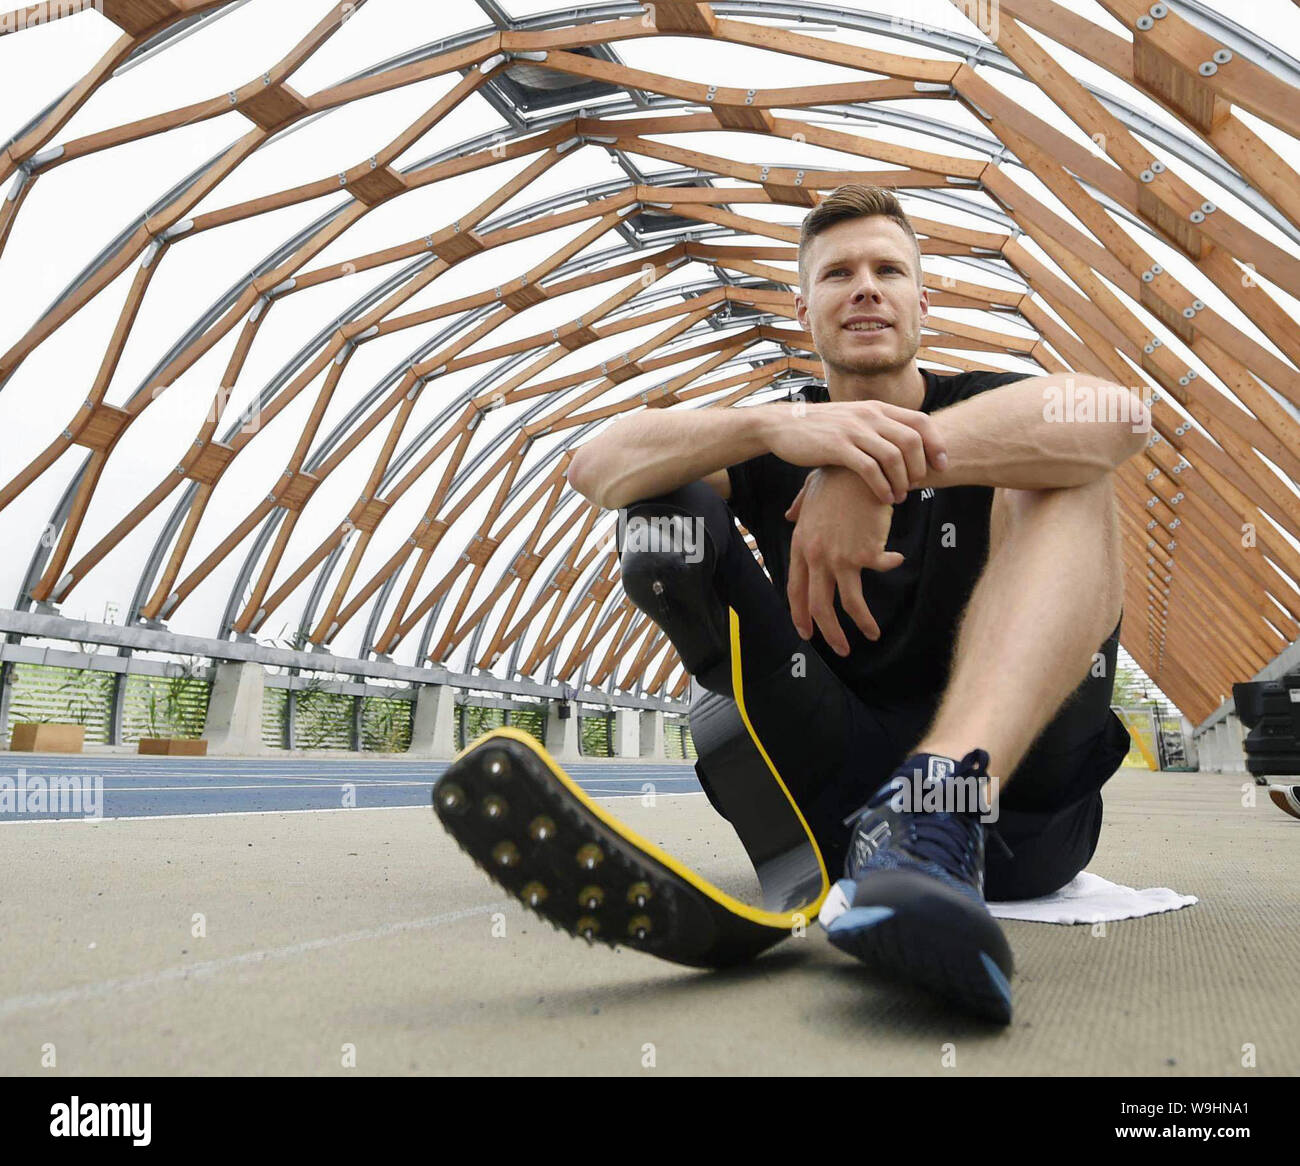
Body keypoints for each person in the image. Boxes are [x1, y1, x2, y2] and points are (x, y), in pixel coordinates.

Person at [565, 184, 1142, 1023]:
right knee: (664, 512)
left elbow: (1121, 417)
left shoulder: (989, 401)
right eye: (839, 273)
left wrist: (882, 463)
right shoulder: (776, 439)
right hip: (834, 798)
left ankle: (934, 807)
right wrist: (774, 430)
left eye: (888, 270)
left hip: (1016, 811)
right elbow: (595, 465)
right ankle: (821, 825)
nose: (866, 286)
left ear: (920, 301)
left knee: (1068, 473)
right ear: (805, 308)